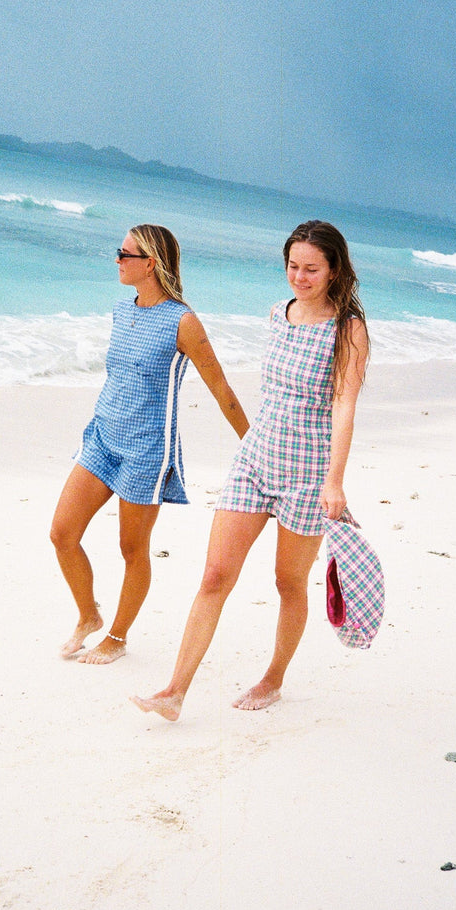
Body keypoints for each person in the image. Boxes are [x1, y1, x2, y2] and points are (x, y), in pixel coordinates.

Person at [131, 219, 369, 719]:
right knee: (215, 574)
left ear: (333, 270)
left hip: (307, 474)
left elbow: (344, 406)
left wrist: (335, 481)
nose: (299, 277)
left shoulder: (348, 330)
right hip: (255, 461)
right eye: (292, 266)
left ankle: (273, 678)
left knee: (288, 583)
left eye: (311, 269)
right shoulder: (278, 314)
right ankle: (173, 693)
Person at [51, 224, 249, 665]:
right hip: (102, 437)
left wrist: (253, 445)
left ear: (151, 263)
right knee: (62, 534)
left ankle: (116, 637)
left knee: (131, 550)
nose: (117, 260)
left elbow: (220, 387)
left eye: (125, 254)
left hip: (146, 451)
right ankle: (89, 616)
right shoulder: (122, 310)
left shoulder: (183, 321)